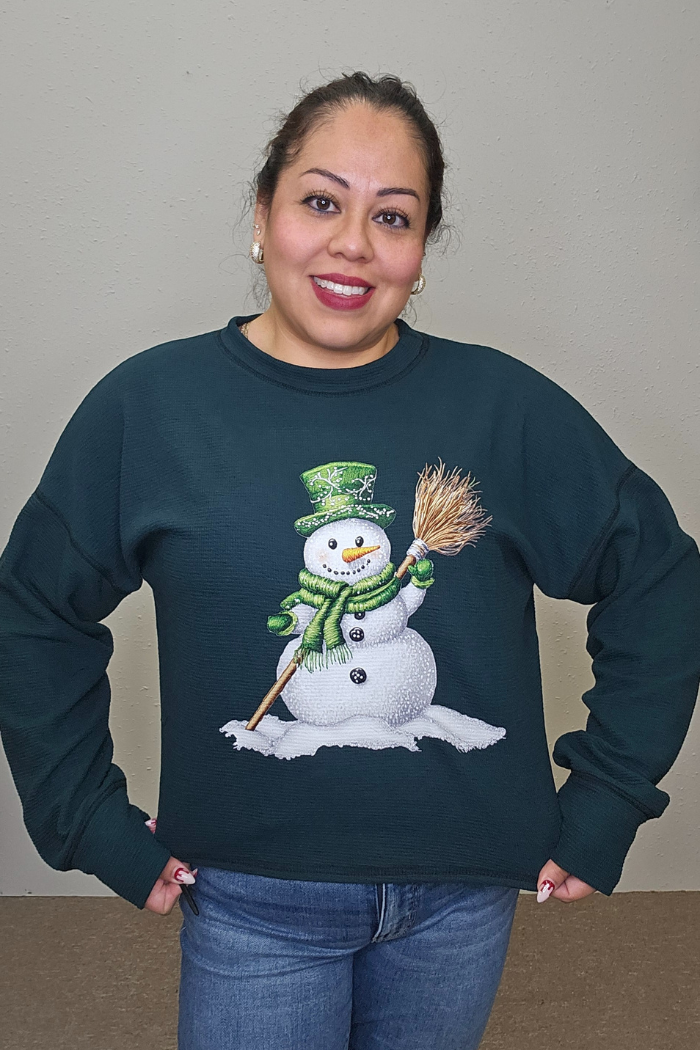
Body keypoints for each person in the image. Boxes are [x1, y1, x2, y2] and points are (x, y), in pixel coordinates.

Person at [0, 71, 698, 1050]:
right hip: (250, 899)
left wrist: (605, 804)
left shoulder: (503, 409)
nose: (352, 245)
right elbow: (31, 607)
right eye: (321, 201)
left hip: (463, 895)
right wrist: (85, 820)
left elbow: (660, 579)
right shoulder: (148, 409)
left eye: (394, 216)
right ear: (262, 214)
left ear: (420, 250)